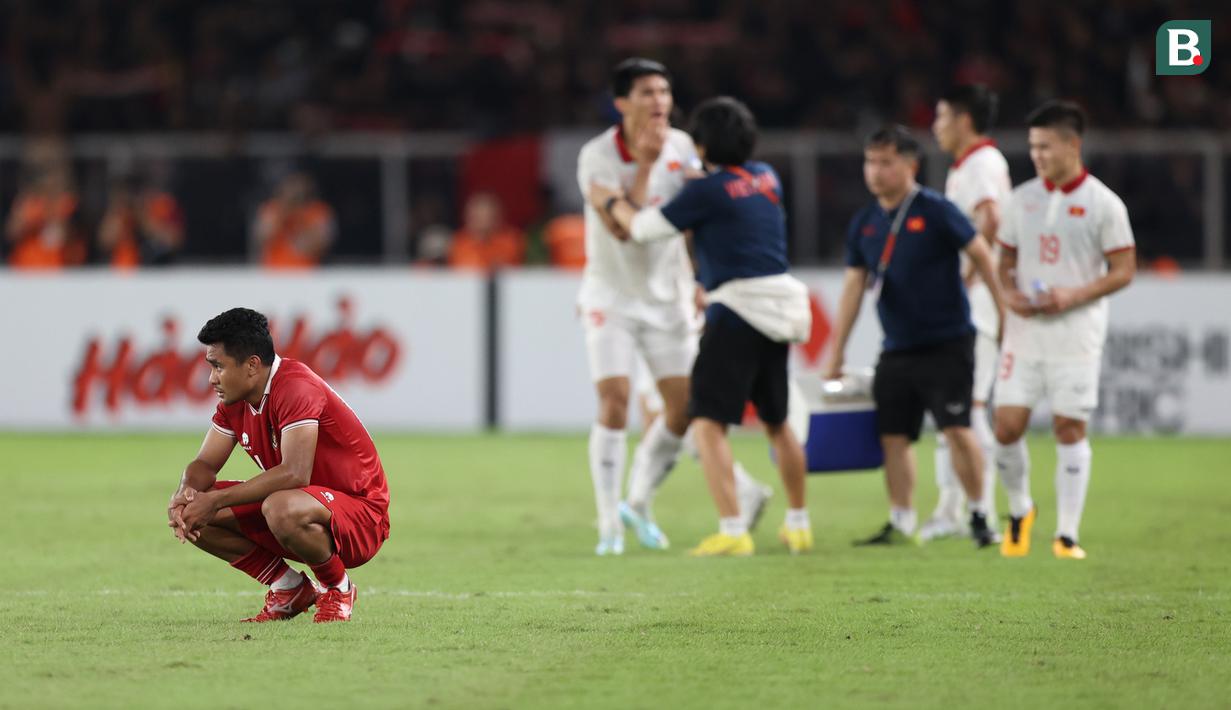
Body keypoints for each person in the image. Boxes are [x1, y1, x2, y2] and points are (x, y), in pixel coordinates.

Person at [591, 96, 812, 557]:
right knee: (777, 422)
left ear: (705, 144)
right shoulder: (767, 177)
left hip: (737, 310)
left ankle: (733, 530)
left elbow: (645, 228)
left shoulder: (705, 192)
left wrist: (610, 200)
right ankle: (799, 523)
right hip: (783, 306)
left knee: (707, 423)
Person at [827, 125, 1004, 549]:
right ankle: (902, 520)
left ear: (911, 165)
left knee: (958, 428)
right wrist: (836, 350)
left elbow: (980, 253)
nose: (875, 171)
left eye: (886, 162)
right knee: (893, 435)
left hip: (947, 342)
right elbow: (853, 287)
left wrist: (1003, 312)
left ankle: (979, 513)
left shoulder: (936, 209)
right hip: (897, 346)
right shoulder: (865, 223)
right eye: (870, 162)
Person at [167, 308, 390, 622]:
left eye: (218, 366)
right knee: (199, 514)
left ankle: (338, 589)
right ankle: (289, 588)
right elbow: (205, 463)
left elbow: (295, 473)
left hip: (360, 515)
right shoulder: (235, 400)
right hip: (303, 508)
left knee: (279, 506)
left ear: (252, 366)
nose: (211, 378)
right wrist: (186, 495)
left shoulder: (295, 388)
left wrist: (214, 499)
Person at [992, 100, 1135, 560]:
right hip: (1025, 331)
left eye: (1045, 147)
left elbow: (1124, 268)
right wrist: (1010, 295)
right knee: (1006, 427)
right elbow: (1004, 262)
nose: (1036, 156)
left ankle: (1067, 535)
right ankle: (1020, 510)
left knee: (1069, 426)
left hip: (1076, 333)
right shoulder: (1022, 199)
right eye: (1033, 147)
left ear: (1073, 145)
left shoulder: (1104, 203)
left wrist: (1073, 295)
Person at [919, 84, 1012, 541]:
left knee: (968, 411)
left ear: (963, 119)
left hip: (973, 311)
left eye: (940, 117)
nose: (935, 127)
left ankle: (976, 511)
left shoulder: (981, 164)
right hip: (966, 310)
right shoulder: (970, 166)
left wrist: (969, 281)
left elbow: (990, 221)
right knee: (953, 413)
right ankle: (954, 508)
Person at [97, 175, 185, 269]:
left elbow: (174, 241)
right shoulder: (120, 213)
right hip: (122, 274)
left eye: (138, 192)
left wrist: (143, 218)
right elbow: (104, 241)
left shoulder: (161, 207)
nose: (135, 197)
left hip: (157, 272)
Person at [5, 167, 84, 269]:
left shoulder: (69, 204)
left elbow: (70, 237)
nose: (51, 183)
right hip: (25, 271)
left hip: (60, 273)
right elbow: (12, 232)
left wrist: (55, 215)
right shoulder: (30, 203)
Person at [254, 172, 335, 268]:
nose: (295, 191)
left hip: (309, 274)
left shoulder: (318, 211)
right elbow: (262, 238)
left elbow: (321, 245)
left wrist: (301, 217)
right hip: (274, 273)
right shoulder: (271, 209)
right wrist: (284, 211)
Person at [448, 192, 526, 270]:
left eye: (487, 215)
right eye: (477, 216)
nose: (482, 221)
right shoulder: (457, 242)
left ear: (497, 217)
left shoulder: (512, 240)